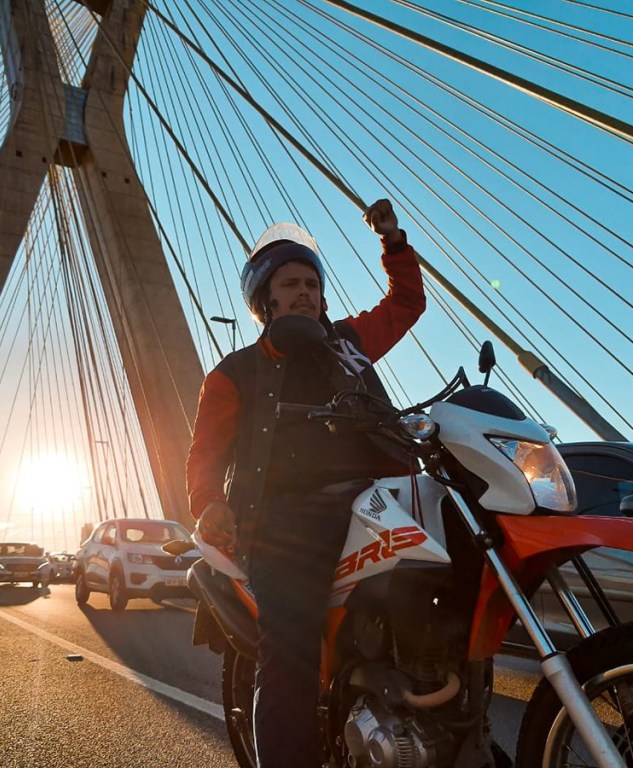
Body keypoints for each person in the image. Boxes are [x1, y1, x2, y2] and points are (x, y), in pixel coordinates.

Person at [186, 199, 425, 767]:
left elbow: (406, 304)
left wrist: (393, 244)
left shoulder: (346, 342)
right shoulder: (232, 374)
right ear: (265, 299)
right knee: (289, 656)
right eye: (290, 284)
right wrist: (209, 504)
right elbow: (204, 456)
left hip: (375, 502)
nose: (304, 294)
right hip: (283, 523)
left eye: (312, 285)